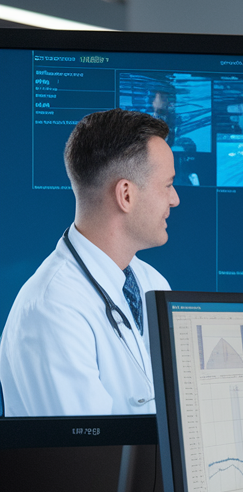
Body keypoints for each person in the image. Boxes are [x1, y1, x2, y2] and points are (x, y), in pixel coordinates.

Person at [0, 109, 178, 416]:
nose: (174, 199)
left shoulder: (152, 283)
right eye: (167, 185)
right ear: (126, 195)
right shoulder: (52, 309)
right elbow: (87, 458)